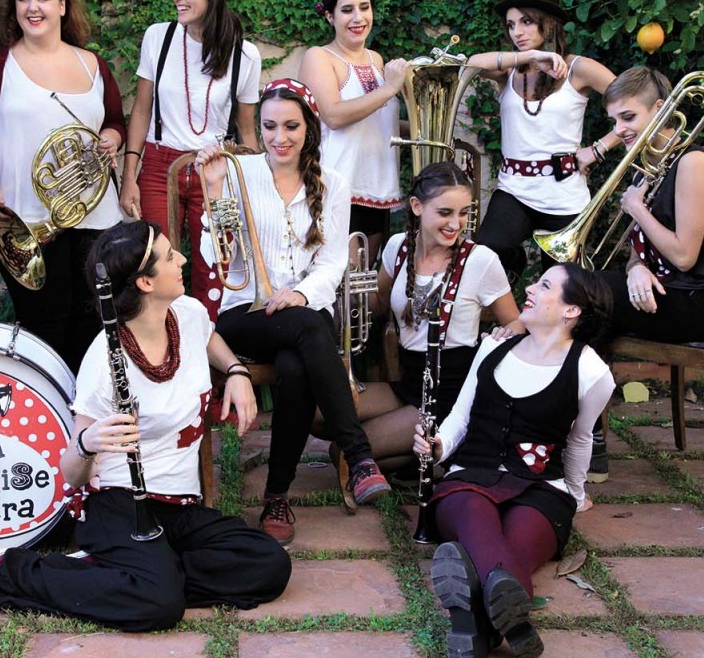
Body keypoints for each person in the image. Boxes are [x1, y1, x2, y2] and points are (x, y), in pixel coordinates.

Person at [0, 220, 290, 630]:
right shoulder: (103, 360)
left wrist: (236, 370)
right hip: (121, 504)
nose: (182, 260)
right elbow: (72, 474)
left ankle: (128, 575)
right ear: (146, 283)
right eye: (171, 256)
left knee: (269, 564)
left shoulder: (187, 313)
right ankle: (4, 576)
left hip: (179, 506)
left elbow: (208, 338)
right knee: (160, 606)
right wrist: (87, 443)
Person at [195, 78, 391, 546]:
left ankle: (277, 498)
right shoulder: (239, 172)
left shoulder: (333, 183)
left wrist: (301, 294)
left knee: (296, 366)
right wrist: (216, 190)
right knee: (306, 331)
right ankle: (358, 455)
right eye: (268, 127)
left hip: (305, 312)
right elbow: (216, 257)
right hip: (246, 312)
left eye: (290, 126)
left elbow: (332, 262)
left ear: (309, 128)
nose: (278, 137)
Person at [415, 263, 615, 658]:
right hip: (469, 480)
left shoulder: (592, 371)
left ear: (571, 310)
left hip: (542, 489)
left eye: (544, 285)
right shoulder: (493, 348)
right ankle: (515, 625)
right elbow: (460, 418)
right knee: (478, 520)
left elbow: (580, 439)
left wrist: (574, 496)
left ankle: (474, 626)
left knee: (512, 545)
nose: (530, 288)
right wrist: (437, 447)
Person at [0, 0, 125, 374]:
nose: (33, 8)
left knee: (92, 324)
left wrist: (112, 139)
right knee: (44, 325)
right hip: (21, 218)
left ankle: (83, 411)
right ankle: (44, 409)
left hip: (95, 216)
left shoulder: (92, 64)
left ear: (63, 5)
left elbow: (115, 122)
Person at [348, 162, 520, 473]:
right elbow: (378, 302)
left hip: (449, 394)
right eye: (445, 213)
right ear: (417, 206)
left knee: (345, 449)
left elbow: (515, 323)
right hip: (408, 381)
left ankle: (437, 445)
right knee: (322, 413)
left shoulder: (481, 260)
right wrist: (346, 284)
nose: (456, 224)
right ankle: (419, 456)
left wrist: (502, 337)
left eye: (464, 213)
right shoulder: (398, 246)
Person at [119, 0, 262, 320]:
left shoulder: (245, 55)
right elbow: (141, 109)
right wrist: (129, 175)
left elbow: (247, 131)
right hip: (158, 166)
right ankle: (161, 348)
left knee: (214, 273)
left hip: (215, 171)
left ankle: (209, 353)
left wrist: (255, 191)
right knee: (155, 269)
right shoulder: (159, 37)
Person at [465, 0, 619, 285]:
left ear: (549, 24)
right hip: (514, 190)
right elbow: (470, 64)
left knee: (563, 286)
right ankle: (514, 272)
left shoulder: (579, 69)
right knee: (485, 253)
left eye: (526, 22)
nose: (517, 32)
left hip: (564, 193)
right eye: (511, 25)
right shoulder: (509, 69)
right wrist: (530, 57)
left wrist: (598, 149)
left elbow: (636, 108)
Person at [597, 66, 704, 340]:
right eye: (613, 121)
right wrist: (636, 268)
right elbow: (638, 250)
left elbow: (684, 258)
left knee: (582, 291)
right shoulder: (645, 168)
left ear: (660, 109)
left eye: (628, 117)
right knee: (577, 291)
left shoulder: (693, 163)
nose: (618, 130)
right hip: (666, 291)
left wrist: (637, 208)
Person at [298, 0, 406, 253]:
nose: (358, 18)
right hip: (336, 188)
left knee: (365, 278)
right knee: (340, 276)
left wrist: (423, 127)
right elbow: (333, 115)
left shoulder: (376, 59)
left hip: (377, 188)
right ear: (329, 16)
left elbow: (376, 121)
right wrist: (390, 88)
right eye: (347, 10)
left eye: (364, 7)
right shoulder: (319, 57)